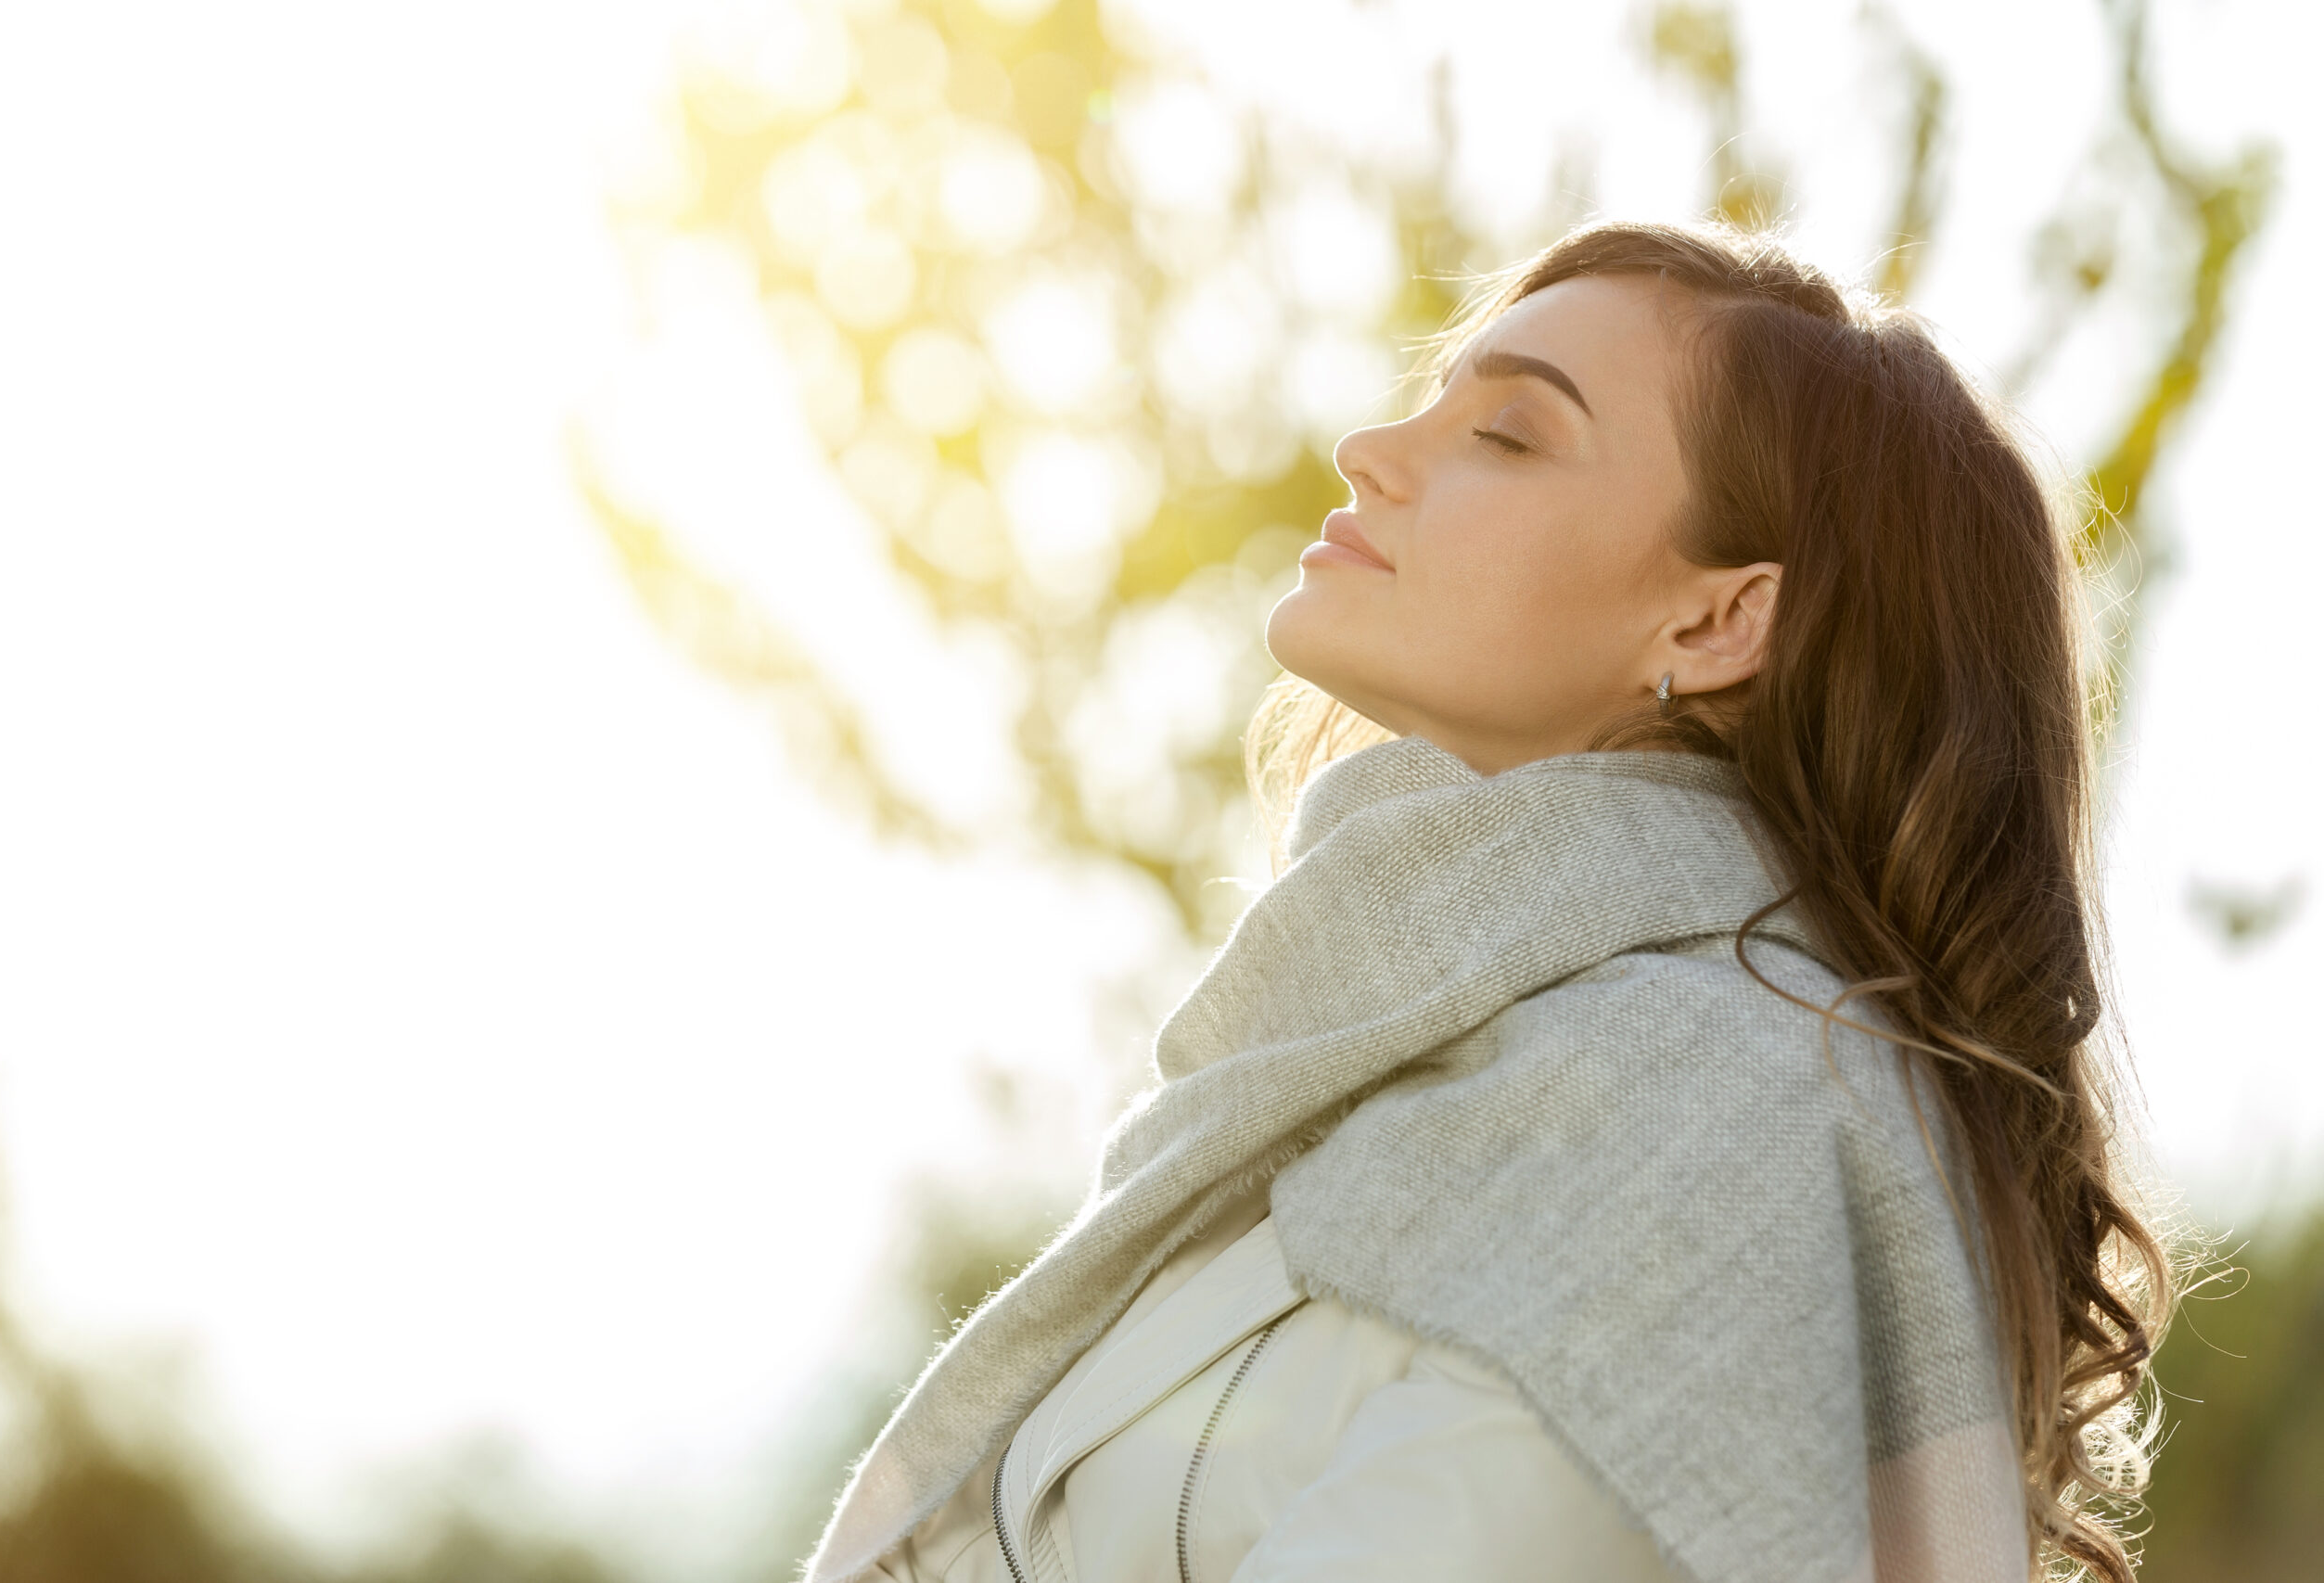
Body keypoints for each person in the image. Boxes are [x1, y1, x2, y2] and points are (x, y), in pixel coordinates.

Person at [803, 221, 2173, 1583]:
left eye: (1509, 433)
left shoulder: (1708, 1107)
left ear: (1713, 624)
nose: (1372, 453)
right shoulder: (1400, 1068)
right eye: (1433, 403)